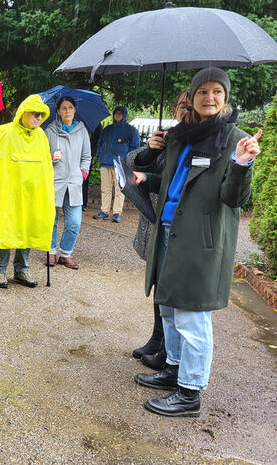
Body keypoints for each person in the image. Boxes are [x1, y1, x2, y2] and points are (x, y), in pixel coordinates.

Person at [133, 68, 260, 417]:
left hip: (199, 240)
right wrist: (147, 167)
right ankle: (174, 369)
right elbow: (173, 183)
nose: (209, 97)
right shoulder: (182, 136)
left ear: (225, 97)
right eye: (202, 91)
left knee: (192, 317)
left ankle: (190, 393)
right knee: (170, 309)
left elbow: (235, 199)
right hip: (168, 231)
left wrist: (240, 164)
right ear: (192, 97)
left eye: (216, 91)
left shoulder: (235, 139)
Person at [126, 89, 189, 370]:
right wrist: (151, 149)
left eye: (190, 105)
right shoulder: (168, 136)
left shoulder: (197, 141)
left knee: (169, 285)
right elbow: (133, 163)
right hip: (156, 216)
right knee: (157, 279)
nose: (185, 110)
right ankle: (157, 338)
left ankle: (168, 348)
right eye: (181, 105)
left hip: (177, 222)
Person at [0, 95, 56, 289]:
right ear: (24, 113)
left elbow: (46, 167)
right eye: (35, 114)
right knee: (7, 229)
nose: (39, 118)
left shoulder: (41, 136)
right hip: (9, 192)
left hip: (32, 194)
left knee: (27, 229)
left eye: (42, 115)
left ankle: (21, 269)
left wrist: (46, 192)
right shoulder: (3, 133)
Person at [44, 96, 91, 270]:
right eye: (63, 108)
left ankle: (65, 254)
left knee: (74, 222)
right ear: (58, 111)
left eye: (70, 107)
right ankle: (50, 251)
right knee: (51, 220)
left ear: (75, 110)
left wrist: (82, 174)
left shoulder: (82, 130)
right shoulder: (50, 131)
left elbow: (87, 156)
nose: (67, 111)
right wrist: (50, 158)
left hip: (74, 184)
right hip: (54, 183)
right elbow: (41, 156)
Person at [94, 105, 139, 222]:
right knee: (105, 189)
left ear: (124, 115)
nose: (118, 115)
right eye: (116, 113)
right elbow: (100, 144)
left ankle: (117, 213)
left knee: (120, 190)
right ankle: (104, 211)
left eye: (120, 113)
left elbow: (134, 149)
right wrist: (100, 156)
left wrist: (126, 162)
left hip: (120, 165)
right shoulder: (107, 130)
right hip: (105, 164)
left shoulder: (131, 131)